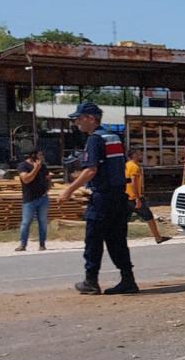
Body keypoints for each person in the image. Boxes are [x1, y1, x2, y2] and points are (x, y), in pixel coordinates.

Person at [58, 102, 138, 295]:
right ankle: (128, 280)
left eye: (79, 118)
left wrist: (69, 190)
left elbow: (91, 170)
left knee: (93, 239)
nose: (76, 123)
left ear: (91, 118)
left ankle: (91, 281)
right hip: (119, 197)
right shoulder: (114, 137)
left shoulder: (94, 139)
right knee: (117, 240)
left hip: (102, 198)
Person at [125, 150, 170, 244]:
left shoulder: (126, 165)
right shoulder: (134, 167)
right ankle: (158, 238)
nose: (141, 156)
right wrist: (137, 198)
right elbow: (133, 183)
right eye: (139, 154)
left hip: (126, 197)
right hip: (134, 198)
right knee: (149, 217)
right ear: (134, 155)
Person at [15, 148, 51, 251]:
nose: (42, 157)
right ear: (33, 156)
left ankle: (42, 244)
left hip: (43, 198)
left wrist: (47, 187)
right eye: (40, 155)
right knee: (26, 222)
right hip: (30, 199)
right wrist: (35, 169)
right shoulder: (23, 166)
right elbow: (26, 180)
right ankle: (23, 244)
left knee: (43, 222)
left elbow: (47, 178)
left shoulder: (43, 166)